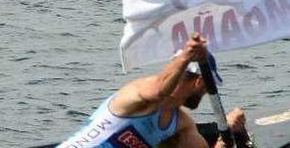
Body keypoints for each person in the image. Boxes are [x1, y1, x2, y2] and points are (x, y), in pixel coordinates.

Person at [57, 35, 247, 148]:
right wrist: (187, 55)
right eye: (209, 85)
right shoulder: (141, 89)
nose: (206, 93)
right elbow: (160, 90)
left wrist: (226, 132)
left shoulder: (181, 123)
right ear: (199, 81)